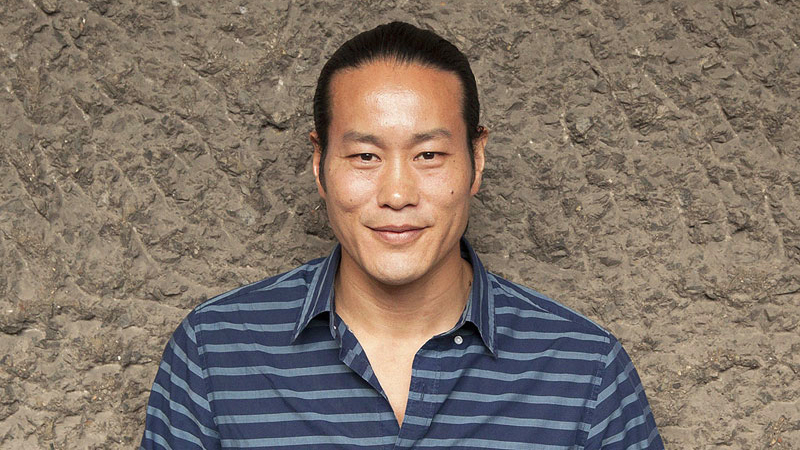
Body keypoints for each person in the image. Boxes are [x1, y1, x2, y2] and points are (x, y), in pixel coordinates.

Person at [140, 21, 664, 449]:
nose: (396, 194)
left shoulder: (585, 370)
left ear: (476, 159)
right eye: (365, 156)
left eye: (428, 155)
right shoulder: (216, 351)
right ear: (320, 163)